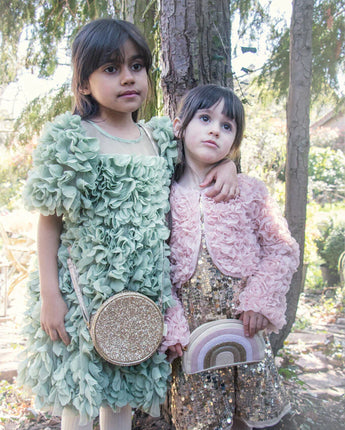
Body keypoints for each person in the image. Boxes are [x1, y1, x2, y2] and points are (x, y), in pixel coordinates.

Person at [17, 19, 238, 430]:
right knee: (80, 399)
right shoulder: (74, 137)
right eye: (111, 68)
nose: (128, 78)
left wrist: (228, 166)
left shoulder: (158, 138)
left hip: (141, 299)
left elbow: (202, 153)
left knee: (120, 398)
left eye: (136, 66)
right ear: (84, 84)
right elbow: (49, 223)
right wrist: (51, 294)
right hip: (83, 294)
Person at [160, 84, 300, 430]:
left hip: (244, 328)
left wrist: (261, 300)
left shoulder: (248, 190)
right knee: (203, 417)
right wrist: (172, 323)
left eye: (227, 126)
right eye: (205, 118)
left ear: (234, 143)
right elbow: (156, 268)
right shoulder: (162, 193)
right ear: (179, 125)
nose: (214, 129)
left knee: (245, 415)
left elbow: (281, 247)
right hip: (191, 338)